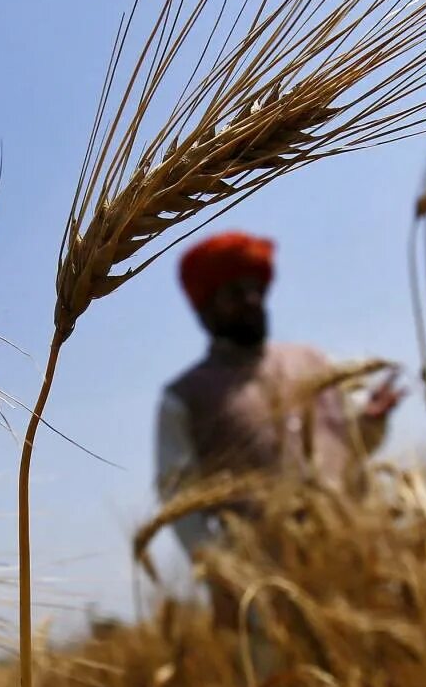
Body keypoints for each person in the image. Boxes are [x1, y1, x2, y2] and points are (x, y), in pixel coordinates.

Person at [154, 231, 403, 610]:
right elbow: (180, 501)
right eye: (235, 292)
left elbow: (348, 449)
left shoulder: (314, 363)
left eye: (256, 288)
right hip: (269, 593)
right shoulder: (184, 398)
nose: (252, 300)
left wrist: (370, 423)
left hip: (355, 561)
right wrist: (229, 577)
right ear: (205, 310)